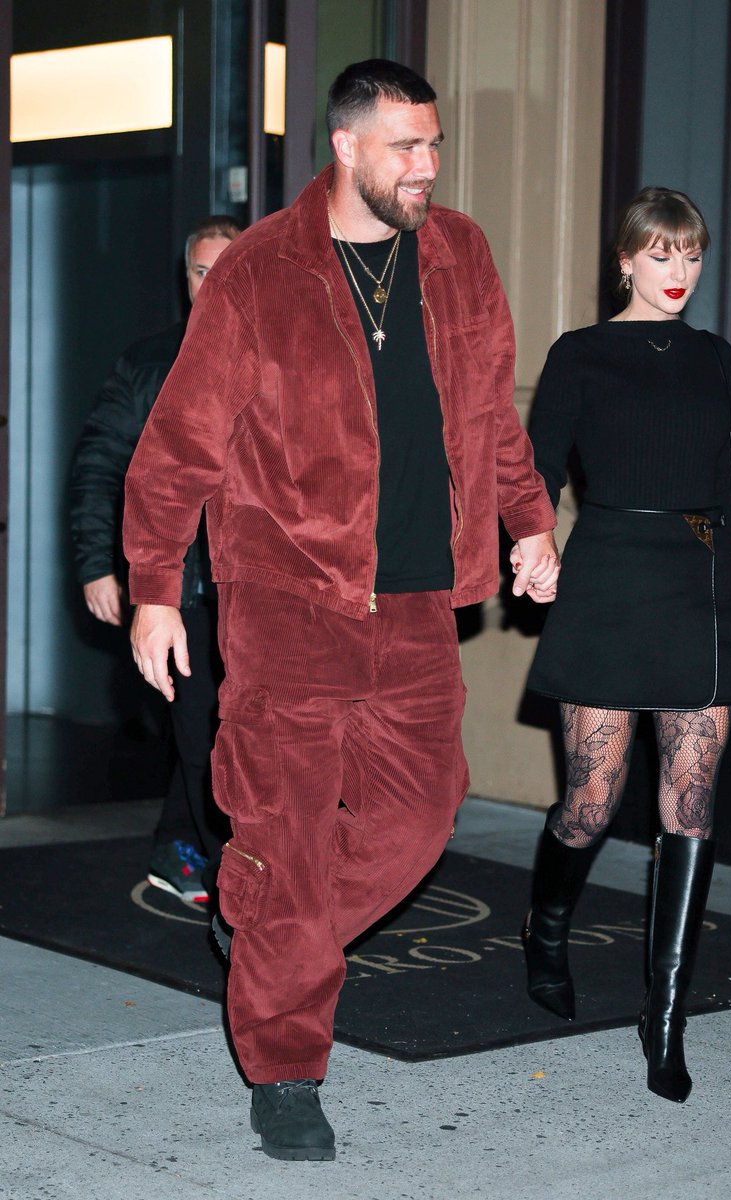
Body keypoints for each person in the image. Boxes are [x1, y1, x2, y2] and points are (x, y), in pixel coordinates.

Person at [122, 59, 559, 1162]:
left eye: (435, 144)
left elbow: (492, 411)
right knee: (289, 838)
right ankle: (286, 1070)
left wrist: (528, 520)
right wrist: (155, 589)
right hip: (286, 605)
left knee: (419, 817)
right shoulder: (260, 271)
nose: (427, 166)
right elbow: (179, 444)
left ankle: (262, 924)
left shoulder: (460, 254)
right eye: (406, 146)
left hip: (415, 603)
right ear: (347, 145)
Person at [521, 187, 731, 1104]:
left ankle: (665, 1017)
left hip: (699, 587)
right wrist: (534, 546)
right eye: (661, 254)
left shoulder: (715, 358)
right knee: (591, 803)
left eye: (692, 255)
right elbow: (536, 467)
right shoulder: (580, 352)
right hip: (608, 580)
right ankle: (545, 928)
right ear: (626, 260)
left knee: (690, 804)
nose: (680, 272)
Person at [70, 215, 242, 903]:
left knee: (234, 727)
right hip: (182, 586)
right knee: (203, 731)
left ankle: (177, 849)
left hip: (257, 583)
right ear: (186, 276)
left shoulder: (277, 353)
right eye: (202, 270)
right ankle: (235, 882)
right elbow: (99, 465)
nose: (214, 282)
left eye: (227, 268)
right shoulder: (149, 362)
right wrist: (97, 565)